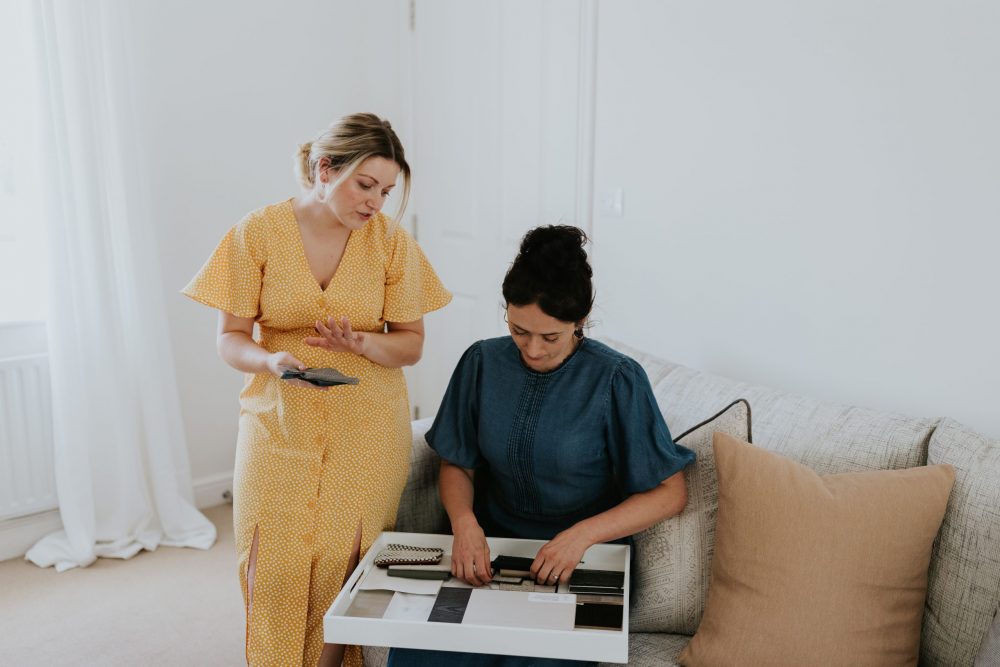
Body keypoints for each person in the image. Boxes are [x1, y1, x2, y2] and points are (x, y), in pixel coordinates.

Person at [182, 113, 451, 667]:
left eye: (386, 190)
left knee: (342, 563)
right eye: (365, 184)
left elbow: (411, 343)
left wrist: (362, 345)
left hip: (367, 423)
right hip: (278, 418)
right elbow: (231, 339)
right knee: (271, 561)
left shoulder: (392, 245)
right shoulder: (256, 231)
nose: (375, 202)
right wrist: (270, 360)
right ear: (324, 169)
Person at [387, 226, 695, 667]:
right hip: (489, 555)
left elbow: (670, 492)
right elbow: (458, 463)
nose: (532, 349)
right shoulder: (481, 362)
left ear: (580, 321)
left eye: (550, 337)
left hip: (584, 562)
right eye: (518, 331)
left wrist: (581, 536)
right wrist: (464, 522)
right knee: (419, 651)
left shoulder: (616, 379)